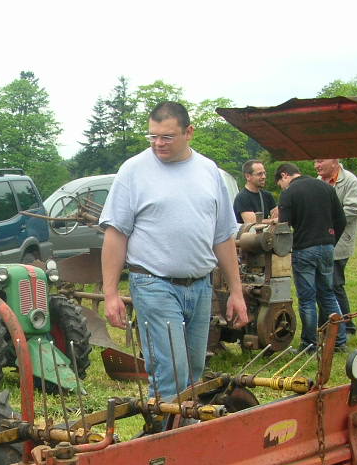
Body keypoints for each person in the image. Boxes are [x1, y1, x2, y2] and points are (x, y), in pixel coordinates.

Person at [99, 101, 248, 402]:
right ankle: (167, 439)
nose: (157, 144)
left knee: (193, 371)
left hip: (201, 286)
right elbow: (116, 235)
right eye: (152, 136)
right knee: (172, 373)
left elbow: (223, 236)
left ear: (189, 132)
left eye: (166, 137)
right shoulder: (134, 170)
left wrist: (236, 292)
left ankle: (183, 433)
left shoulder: (209, 172)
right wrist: (111, 293)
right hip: (154, 284)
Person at [274, 162, 347, 352]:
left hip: (304, 249)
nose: (281, 187)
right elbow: (341, 219)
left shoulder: (289, 193)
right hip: (327, 247)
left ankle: (309, 344)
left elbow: (283, 226)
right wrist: (331, 241)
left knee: (307, 299)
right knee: (328, 295)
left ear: (284, 176)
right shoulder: (326, 187)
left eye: (279, 183)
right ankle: (339, 341)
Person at [315, 158, 357, 337]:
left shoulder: (349, 180)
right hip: (323, 240)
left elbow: (353, 210)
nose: (317, 166)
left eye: (320, 161)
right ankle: (327, 326)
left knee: (335, 284)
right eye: (315, 162)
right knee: (324, 284)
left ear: (334, 161)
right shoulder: (319, 182)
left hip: (340, 241)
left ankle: (347, 326)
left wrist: (325, 219)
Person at [233, 159, 278, 225]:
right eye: (259, 174)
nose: (264, 177)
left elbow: (279, 217)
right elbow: (252, 223)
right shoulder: (242, 197)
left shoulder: (267, 195)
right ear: (248, 176)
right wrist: (272, 221)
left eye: (264, 173)